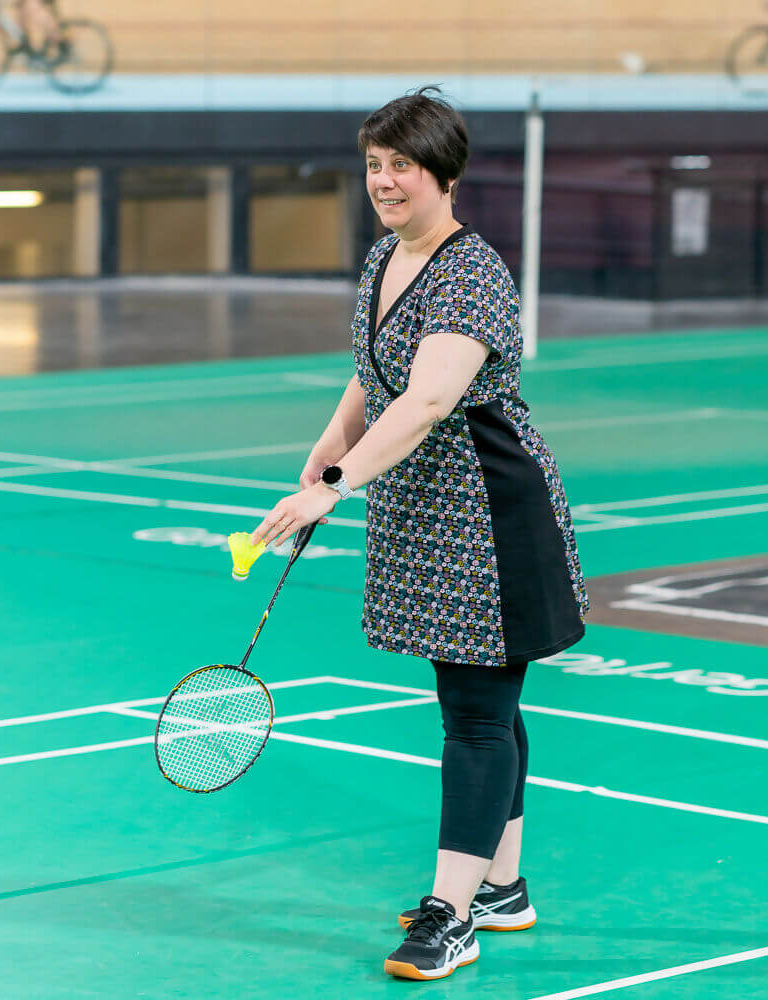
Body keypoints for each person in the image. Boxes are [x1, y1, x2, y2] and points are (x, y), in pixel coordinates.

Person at [249, 85, 588, 981]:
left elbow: (430, 397)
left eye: (402, 165)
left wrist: (336, 487)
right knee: (483, 706)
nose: (385, 181)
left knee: (476, 716)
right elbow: (374, 373)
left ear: (445, 173)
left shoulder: (471, 272)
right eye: (374, 164)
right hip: (424, 514)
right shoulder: (385, 258)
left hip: (488, 516)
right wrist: (327, 449)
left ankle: (453, 916)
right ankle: (502, 888)